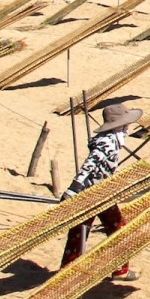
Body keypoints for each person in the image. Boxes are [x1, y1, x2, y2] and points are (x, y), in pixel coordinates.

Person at [60, 102, 143, 281]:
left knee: (111, 228)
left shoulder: (112, 140)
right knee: (84, 231)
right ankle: (67, 273)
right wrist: (74, 188)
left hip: (103, 193)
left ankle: (119, 269)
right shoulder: (107, 142)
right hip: (92, 194)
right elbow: (90, 164)